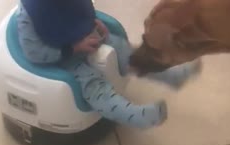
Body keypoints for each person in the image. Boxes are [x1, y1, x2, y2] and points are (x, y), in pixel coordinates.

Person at [17, 0, 199, 129]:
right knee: (93, 85)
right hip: (60, 57)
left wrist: (92, 22)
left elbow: (77, 10)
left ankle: (171, 77)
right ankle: (134, 116)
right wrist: (73, 48)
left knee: (128, 52)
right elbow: (34, 52)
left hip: (85, 37)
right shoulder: (31, 12)